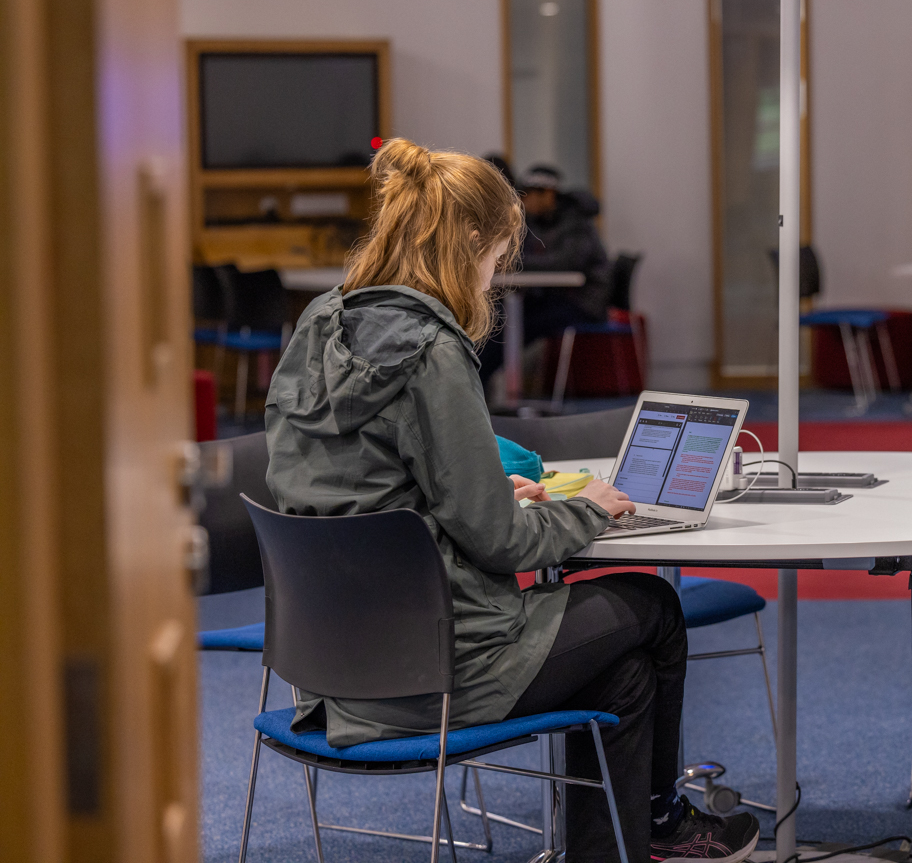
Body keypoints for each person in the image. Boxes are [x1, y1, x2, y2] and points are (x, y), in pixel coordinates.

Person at [263, 138, 758, 863]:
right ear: (469, 243)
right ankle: (662, 825)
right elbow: (502, 544)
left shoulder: (321, 325)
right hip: (434, 667)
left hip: (331, 665)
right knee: (654, 608)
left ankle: (622, 847)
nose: (496, 278)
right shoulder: (431, 351)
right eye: (498, 255)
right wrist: (590, 505)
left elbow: (359, 481)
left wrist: (483, 491)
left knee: (620, 672)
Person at [475, 163, 612, 389]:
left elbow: (565, 263)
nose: (523, 201)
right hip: (557, 296)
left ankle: (487, 388)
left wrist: (511, 264)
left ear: (548, 194)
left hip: (581, 303)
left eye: (528, 194)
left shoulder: (575, 221)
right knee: (499, 320)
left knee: (510, 327)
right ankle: (484, 387)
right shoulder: (538, 222)